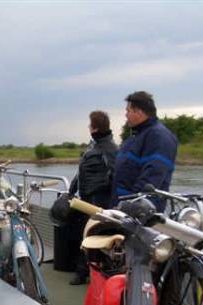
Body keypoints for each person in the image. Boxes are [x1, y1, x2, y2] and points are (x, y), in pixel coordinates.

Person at [67, 111, 117, 285]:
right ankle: (84, 270)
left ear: (94, 127)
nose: (88, 128)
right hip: (87, 198)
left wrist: (99, 191)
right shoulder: (93, 146)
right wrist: (71, 190)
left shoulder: (109, 149)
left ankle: (84, 272)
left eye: (90, 125)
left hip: (99, 200)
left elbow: (113, 175)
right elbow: (80, 173)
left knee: (91, 234)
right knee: (83, 233)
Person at [112, 91, 178, 208]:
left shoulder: (159, 136)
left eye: (128, 111)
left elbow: (153, 175)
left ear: (139, 112)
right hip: (120, 209)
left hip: (141, 214)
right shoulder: (134, 138)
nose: (126, 115)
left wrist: (132, 203)